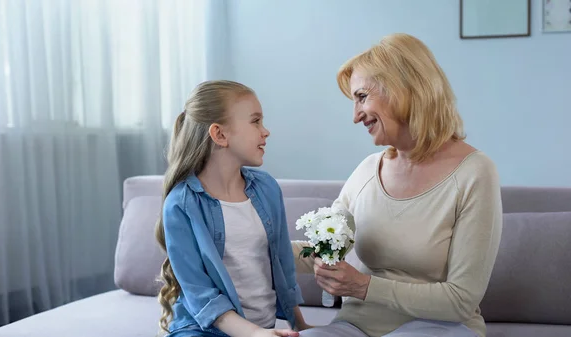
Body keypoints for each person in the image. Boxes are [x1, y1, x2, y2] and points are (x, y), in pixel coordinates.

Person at [292, 33, 503, 337]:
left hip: (440, 327)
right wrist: (252, 247)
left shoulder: (475, 173)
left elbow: (461, 300)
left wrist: (363, 286)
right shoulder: (366, 171)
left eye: (362, 97)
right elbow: (326, 249)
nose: (355, 116)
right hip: (354, 327)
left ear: (403, 89)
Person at [154, 80, 311, 337]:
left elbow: (282, 265)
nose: (266, 131)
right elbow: (200, 293)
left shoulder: (267, 188)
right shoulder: (182, 204)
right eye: (255, 121)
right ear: (220, 134)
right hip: (203, 330)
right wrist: (254, 334)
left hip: (261, 330)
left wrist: (300, 326)